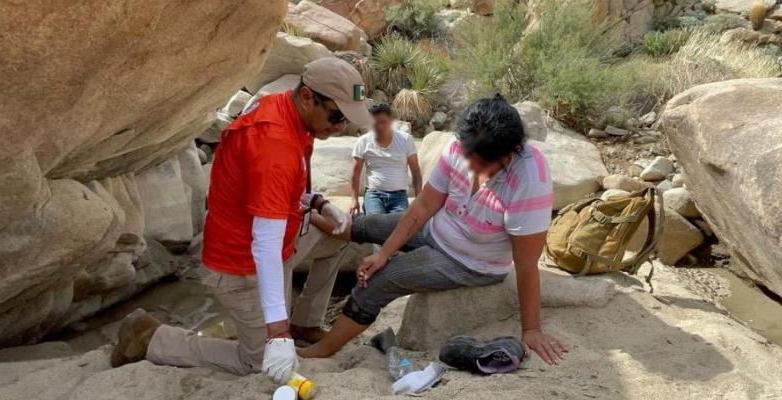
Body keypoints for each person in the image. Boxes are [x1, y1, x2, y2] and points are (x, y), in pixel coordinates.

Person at [109, 57, 373, 384]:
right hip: (241, 262)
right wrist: (277, 333)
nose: (341, 127)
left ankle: (304, 322)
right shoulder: (274, 142)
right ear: (307, 97)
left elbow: (280, 187)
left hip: (279, 240)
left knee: (337, 238)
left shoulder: (288, 111)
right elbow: (264, 244)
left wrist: (319, 202)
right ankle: (151, 337)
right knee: (261, 363)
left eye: (346, 119)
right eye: (336, 116)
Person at [299, 94, 568, 365]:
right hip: (437, 227)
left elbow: (526, 263)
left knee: (380, 280)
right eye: (468, 156)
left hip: (469, 261)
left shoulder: (530, 177)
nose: (472, 167)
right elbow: (424, 205)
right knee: (366, 225)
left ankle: (324, 349)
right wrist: (383, 253)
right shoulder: (458, 146)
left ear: (509, 154)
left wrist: (531, 329)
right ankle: (311, 213)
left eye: (482, 163)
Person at [349, 103, 422, 216]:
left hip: (399, 196)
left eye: (383, 122)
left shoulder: (405, 140)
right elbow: (355, 172)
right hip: (374, 194)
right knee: (376, 224)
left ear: (391, 121)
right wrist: (354, 200)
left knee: (399, 225)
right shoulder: (363, 142)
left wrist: (419, 198)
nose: (380, 126)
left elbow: (416, 171)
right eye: (375, 123)